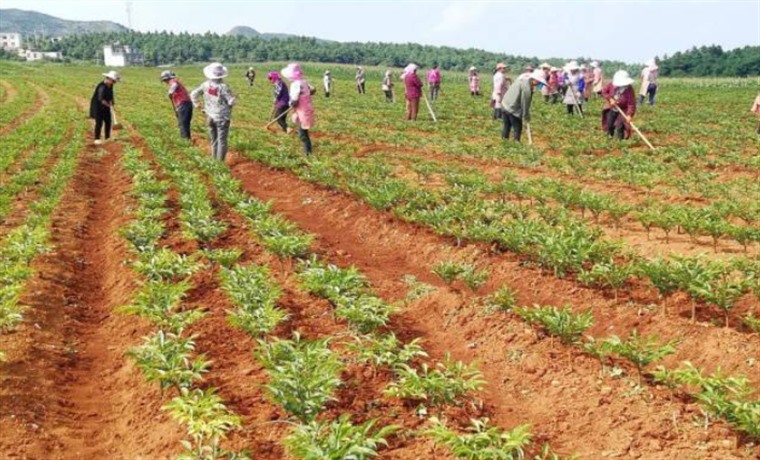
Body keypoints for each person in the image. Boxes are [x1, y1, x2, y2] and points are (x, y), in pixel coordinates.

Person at [190, 62, 236, 162]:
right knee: (222, 141)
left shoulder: (205, 85)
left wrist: (197, 105)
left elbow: (193, 94)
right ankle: (219, 163)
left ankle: (214, 160)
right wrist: (233, 98)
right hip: (222, 118)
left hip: (209, 116)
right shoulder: (223, 87)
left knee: (213, 140)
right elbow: (230, 101)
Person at [500, 69, 546, 142]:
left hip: (504, 104)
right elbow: (525, 103)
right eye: (539, 82)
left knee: (507, 125)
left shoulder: (522, 80)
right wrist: (526, 116)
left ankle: (504, 143)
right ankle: (516, 144)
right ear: (535, 80)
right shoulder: (527, 88)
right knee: (517, 127)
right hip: (512, 108)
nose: (539, 84)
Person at [282, 63, 316, 155]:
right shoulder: (303, 82)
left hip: (302, 110)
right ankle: (307, 150)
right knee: (302, 129)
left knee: (303, 132)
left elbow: (294, 99)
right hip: (306, 107)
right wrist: (306, 94)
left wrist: (292, 103)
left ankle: (307, 153)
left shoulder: (295, 84)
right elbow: (313, 90)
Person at [601, 70, 637, 140]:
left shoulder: (629, 89)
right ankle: (609, 138)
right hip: (612, 107)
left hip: (623, 109)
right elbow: (604, 91)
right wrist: (610, 99)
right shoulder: (611, 85)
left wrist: (629, 115)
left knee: (619, 125)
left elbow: (631, 103)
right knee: (609, 124)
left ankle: (620, 141)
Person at [89, 70, 120, 145]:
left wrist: (112, 101)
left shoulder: (110, 85)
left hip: (105, 105)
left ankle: (107, 137)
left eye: (115, 81)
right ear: (109, 79)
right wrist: (108, 105)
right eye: (113, 81)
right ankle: (97, 139)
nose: (114, 83)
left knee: (108, 121)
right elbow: (100, 99)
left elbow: (111, 94)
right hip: (98, 106)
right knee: (99, 122)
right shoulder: (101, 86)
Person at [160, 70, 193, 140]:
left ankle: (185, 140)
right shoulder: (175, 81)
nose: (165, 82)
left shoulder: (172, 81)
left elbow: (174, 85)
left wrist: (170, 92)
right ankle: (188, 139)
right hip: (186, 104)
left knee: (182, 123)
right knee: (185, 123)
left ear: (167, 78)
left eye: (165, 80)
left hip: (183, 104)